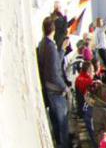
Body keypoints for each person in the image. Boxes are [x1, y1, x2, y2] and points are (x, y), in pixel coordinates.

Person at [37, 15, 70, 148]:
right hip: (55, 91)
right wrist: (65, 88)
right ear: (54, 29)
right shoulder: (50, 47)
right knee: (62, 124)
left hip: (50, 90)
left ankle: (60, 143)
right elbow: (55, 74)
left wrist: (62, 49)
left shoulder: (43, 43)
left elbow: (55, 64)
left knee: (57, 122)